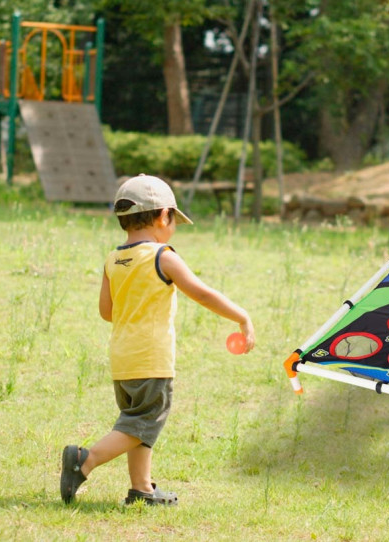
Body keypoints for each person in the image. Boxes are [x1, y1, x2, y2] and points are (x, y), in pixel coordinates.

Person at [60, 174, 255, 506]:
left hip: (122, 359)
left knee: (138, 425)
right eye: (174, 220)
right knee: (144, 421)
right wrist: (241, 316)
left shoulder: (113, 259)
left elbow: (107, 312)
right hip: (151, 358)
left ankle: (142, 490)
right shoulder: (162, 256)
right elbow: (202, 294)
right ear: (164, 215)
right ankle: (85, 460)